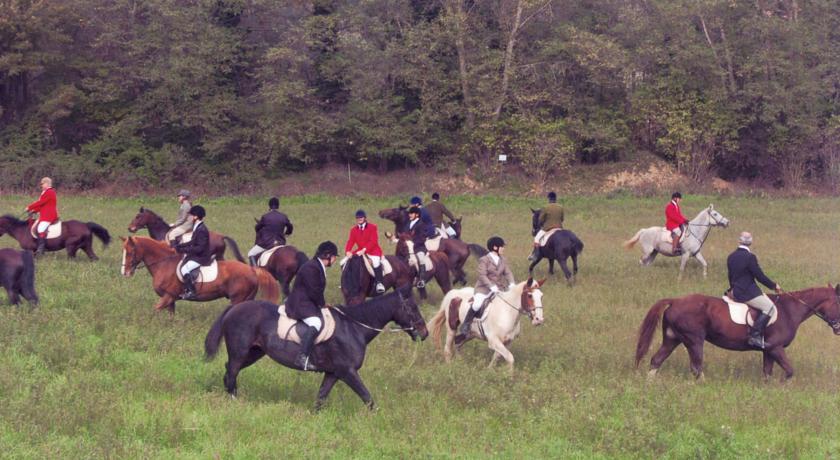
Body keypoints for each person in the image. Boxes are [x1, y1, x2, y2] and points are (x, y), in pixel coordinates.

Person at [286, 241, 338, 371]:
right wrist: (322, 304)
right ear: (327, 256)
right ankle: (302, 356)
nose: (335, 259)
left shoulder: (317, 266)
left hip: (307, 300)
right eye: (334, 256)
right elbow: (314, 291)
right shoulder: (311, 267)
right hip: (299, 303)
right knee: (316, 323)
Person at [726, 232, 782, 349]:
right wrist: (774, 286)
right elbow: (759, 276)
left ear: (739, 241)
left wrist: (732, 289)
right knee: (770, 308)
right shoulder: (750, 257)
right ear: (750, 242)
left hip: (735, 290)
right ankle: (754, 336)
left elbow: (730, 276)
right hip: (747, 293)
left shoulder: (731, 256)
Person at [457, 236, 515, 342]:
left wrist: (512, 284)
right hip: (484, 289)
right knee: (477, 304)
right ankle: (466, 324)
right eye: (502, 247)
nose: (503, 248)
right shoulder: (484, 260)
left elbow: (508, 272)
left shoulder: (503, 260)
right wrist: (491, 286)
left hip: (499, 288)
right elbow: (482, 275)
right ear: (495, 247)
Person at [173, 205, 212, 300]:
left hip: (201, 257)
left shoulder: (202, 230)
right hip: (197, 255)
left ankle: (191, 292)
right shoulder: (197, 227)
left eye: (191, 216)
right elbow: (192, 242)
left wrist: (184, 250)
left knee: (184, 270)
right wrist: (179, 246)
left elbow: (200, 248)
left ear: (196, 217)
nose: (189, 218)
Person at [345, 209, 385, 294]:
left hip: (373, 250)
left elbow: (373, 241)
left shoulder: (373, 227)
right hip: (360, 250)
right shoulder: (353, 230)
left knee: (376, 262)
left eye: (361, 217)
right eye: (358, 218)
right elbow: (351, 241)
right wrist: (348, 251)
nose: (359, 219)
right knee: (344, 261)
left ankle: (379, 283)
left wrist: (364, 250)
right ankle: (347, 281)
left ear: (365, 218)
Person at [247, 197, 294, 266]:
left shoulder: (265, 217)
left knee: (251, 253)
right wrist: (287, 233)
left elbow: (257, 228)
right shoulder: (284, 216)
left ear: (269, 206)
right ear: (278, 206)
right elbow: (290, 227)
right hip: (280, 243)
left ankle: (255, 271)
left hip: (267, 243)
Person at [25, 177, 59, 256]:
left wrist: (29, 207)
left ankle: (41, 249)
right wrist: (34, 210)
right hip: (44, 214)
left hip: (49, 215)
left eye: (42, 184)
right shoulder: (45, 192)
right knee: (35, 226)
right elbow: (42, 205)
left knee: (41, 228)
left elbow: (41, 202)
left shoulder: (50, 192)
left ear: (47, 183)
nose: (41, 185)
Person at [528, 191, 564, 262]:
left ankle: (535, 255)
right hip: (559, 228)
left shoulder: (545, 207)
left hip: (548, 228)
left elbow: (541, 219)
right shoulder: (561, 207)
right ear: (555, 199)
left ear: (549, 199)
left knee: (537, 238)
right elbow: (562, 219)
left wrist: (542, 224)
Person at [405, 206, 434, 288]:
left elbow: (422, 239)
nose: (409, 215)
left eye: (411, 213)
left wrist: (412, 244)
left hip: (419, 248)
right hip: (409, 248)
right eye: (409, 213)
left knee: (421, 259)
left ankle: (422, 279)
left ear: (417, 215)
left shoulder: (421, 224)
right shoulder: (408, 224)